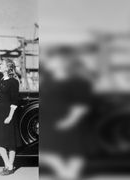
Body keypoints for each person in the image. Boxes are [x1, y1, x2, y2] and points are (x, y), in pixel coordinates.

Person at [39, 48, 93, 179]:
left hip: (70, 124)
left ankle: (69, 175)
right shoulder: (47, 82)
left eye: (54, 59)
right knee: (47, 154)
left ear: (63, 62)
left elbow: (81, 105)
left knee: (74, 153)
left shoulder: (78, 81)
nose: (49, 62)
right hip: (50, 123)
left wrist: (69, 121)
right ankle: (65, 174)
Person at [0, 59, 19, 176]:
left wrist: (10, 116)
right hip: (0, 112)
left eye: (2, 64)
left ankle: (9, 166)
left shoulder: (14, 81)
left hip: (9, 112)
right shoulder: (1, 80)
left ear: (8, 67)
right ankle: (8, 165)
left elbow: (15, 100)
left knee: (11, 141)